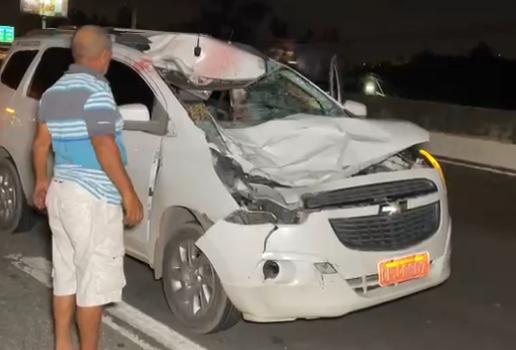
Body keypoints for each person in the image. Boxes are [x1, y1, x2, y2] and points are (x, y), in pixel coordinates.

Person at [32, 25, 144, 350]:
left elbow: (41, 145)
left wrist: (41, 180)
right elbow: (103, 142)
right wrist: (128, 192)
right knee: (92, 285)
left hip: (62, 192)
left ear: (75, 54)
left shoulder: (52, 92)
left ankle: (63, 344)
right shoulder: (96, 89)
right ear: (106, 56)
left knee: (66, 277)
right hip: (92, 198)